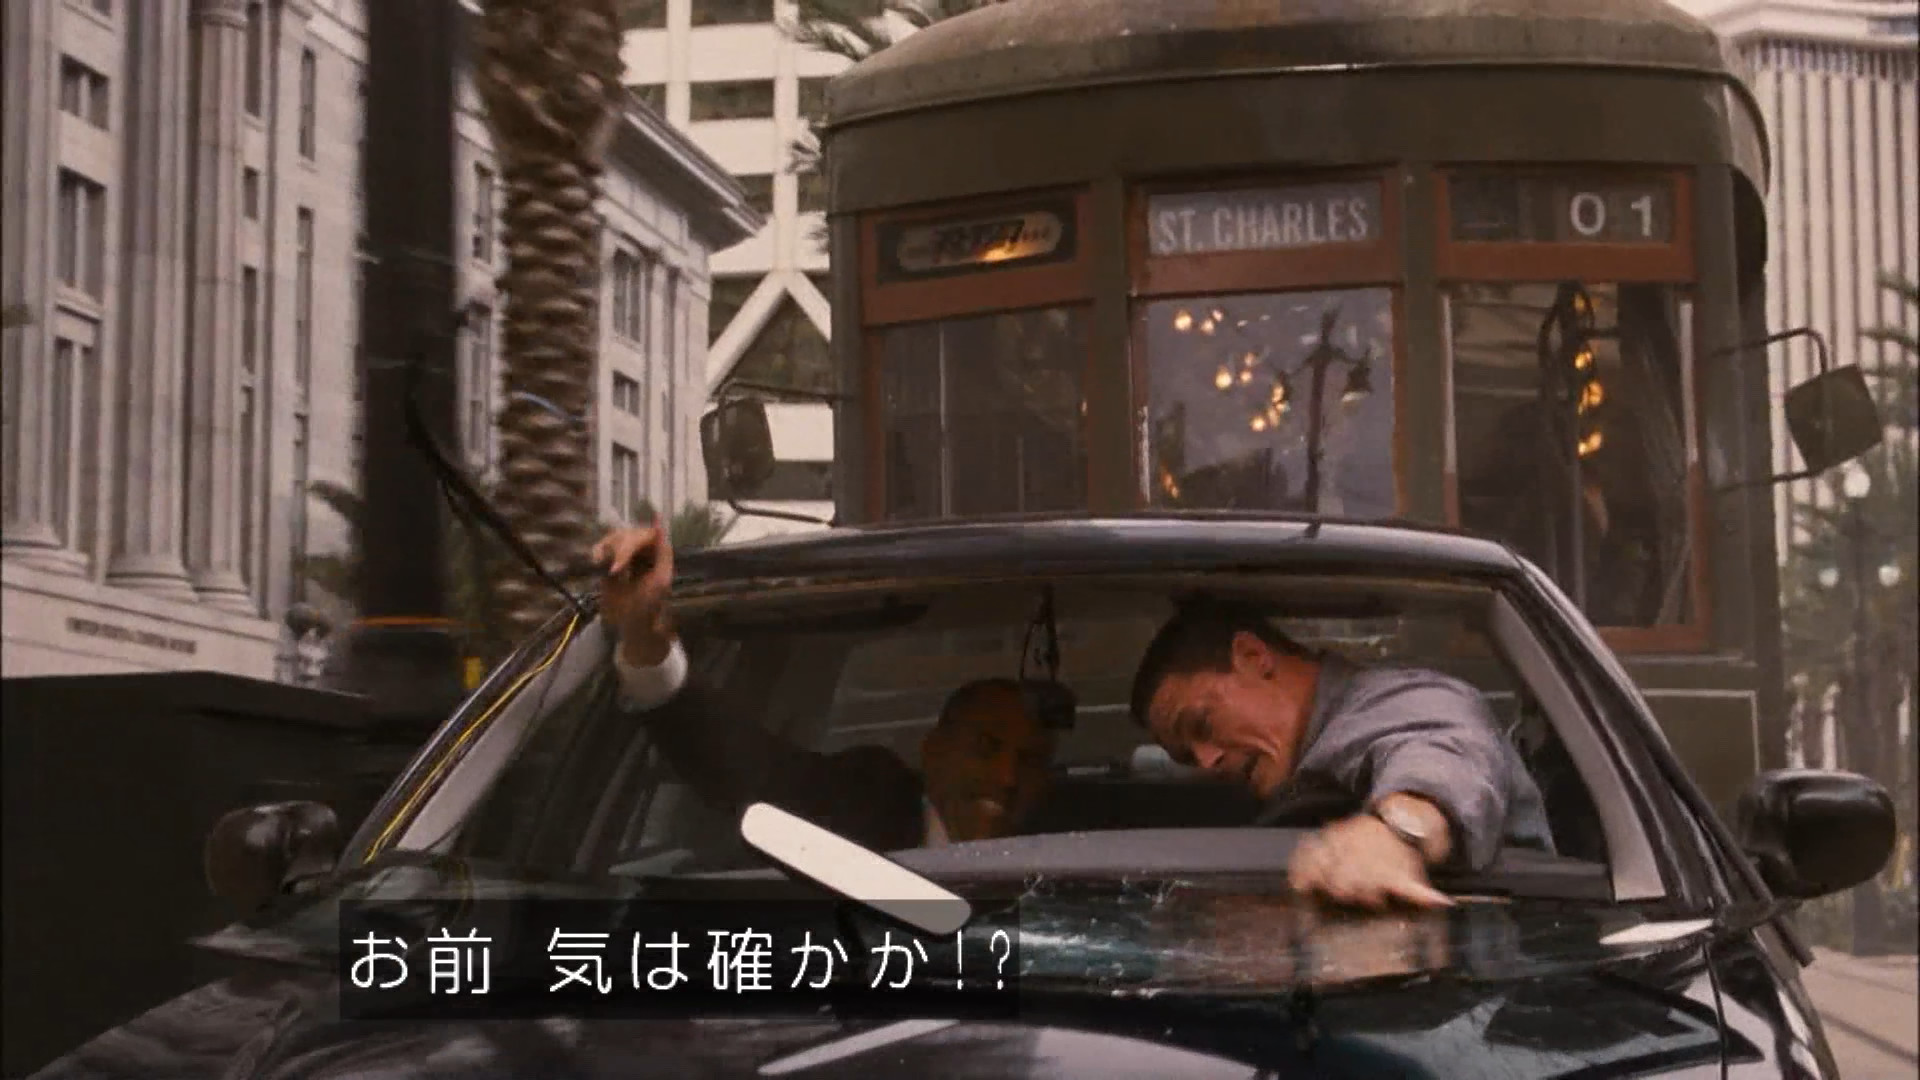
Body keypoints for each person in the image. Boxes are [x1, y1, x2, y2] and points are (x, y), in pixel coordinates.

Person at [594, 524, 1055, 853]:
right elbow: (748, 768)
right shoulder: (863, 805)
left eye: (1030, 761)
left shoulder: (1074, 855)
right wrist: (645, 638)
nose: (1007, 776)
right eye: (985, 747)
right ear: (933, 750)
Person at [1129, 600, 1554, 911]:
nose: (1207, 761)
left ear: (1253, 657)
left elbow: (1442, 749)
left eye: (1202, 724)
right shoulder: (1294, 768)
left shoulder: (1398, 701)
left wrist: (1392, 834)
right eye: (1187, 757)